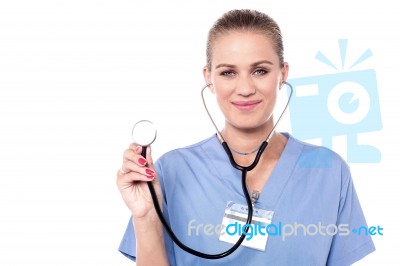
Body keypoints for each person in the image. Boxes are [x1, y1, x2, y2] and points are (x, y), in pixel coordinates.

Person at [116, 9, 375, 266]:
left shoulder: (328, 170)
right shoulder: (171, 170)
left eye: (260, 71)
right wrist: (146, 217)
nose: (245, 89)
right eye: (228, 72)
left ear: (282, 74)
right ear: (209, 78)